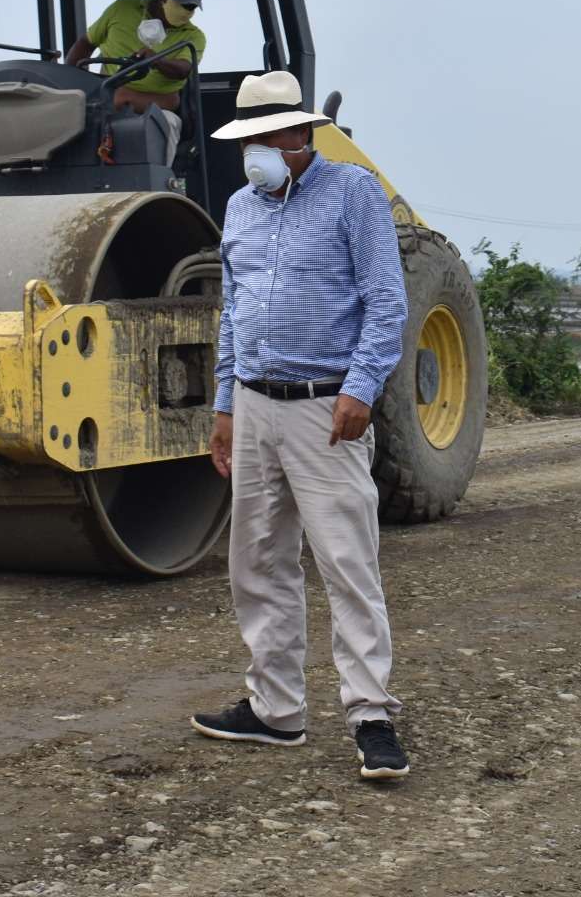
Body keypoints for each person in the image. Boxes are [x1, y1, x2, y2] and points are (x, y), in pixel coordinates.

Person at [189, 70, 412, 780]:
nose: (249, 152)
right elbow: (234, 309)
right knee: (257, 560)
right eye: (244, 140)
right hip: (254, 403)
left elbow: (386, 300)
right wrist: (225, 405)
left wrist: (360, 388)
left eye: (261, 138)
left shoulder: (352, 192)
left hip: (325, 408)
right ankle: (275, 709)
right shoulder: (240, 206)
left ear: (297, 134)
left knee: (347, 562)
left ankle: (371, 716)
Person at [63, 0, 206, 163]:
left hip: (157, 104)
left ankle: (157, 179)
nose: (185, 11)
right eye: (181, 3)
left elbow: (183, 69)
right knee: (69, 115)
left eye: (191, 7)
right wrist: (69, 82)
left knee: (166, 121)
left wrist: (156, 60)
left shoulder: (194, 36)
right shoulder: (121, 9)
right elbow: (86, 43)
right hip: (106, 96)